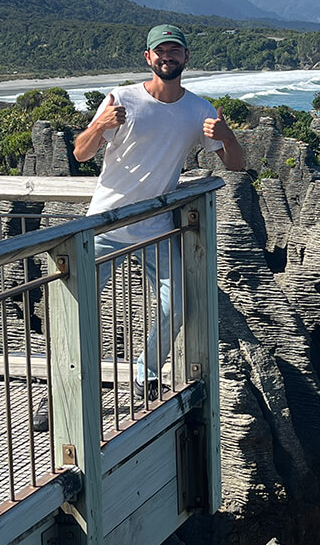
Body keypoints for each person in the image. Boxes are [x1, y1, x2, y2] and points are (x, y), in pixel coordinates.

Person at [34, 24, 244, 430]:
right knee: (76, 314)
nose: (168, 57)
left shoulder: (200, 110)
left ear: (186, 58)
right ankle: (61, 391)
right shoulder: (121, 98)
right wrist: (98, 125)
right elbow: (80, 153)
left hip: (156, 228)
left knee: (176, 306)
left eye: (175, 51)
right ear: (148, 58)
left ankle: (145, 372)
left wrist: (226, 135)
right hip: (103, 225)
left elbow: (235, 164)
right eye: (160, 51)